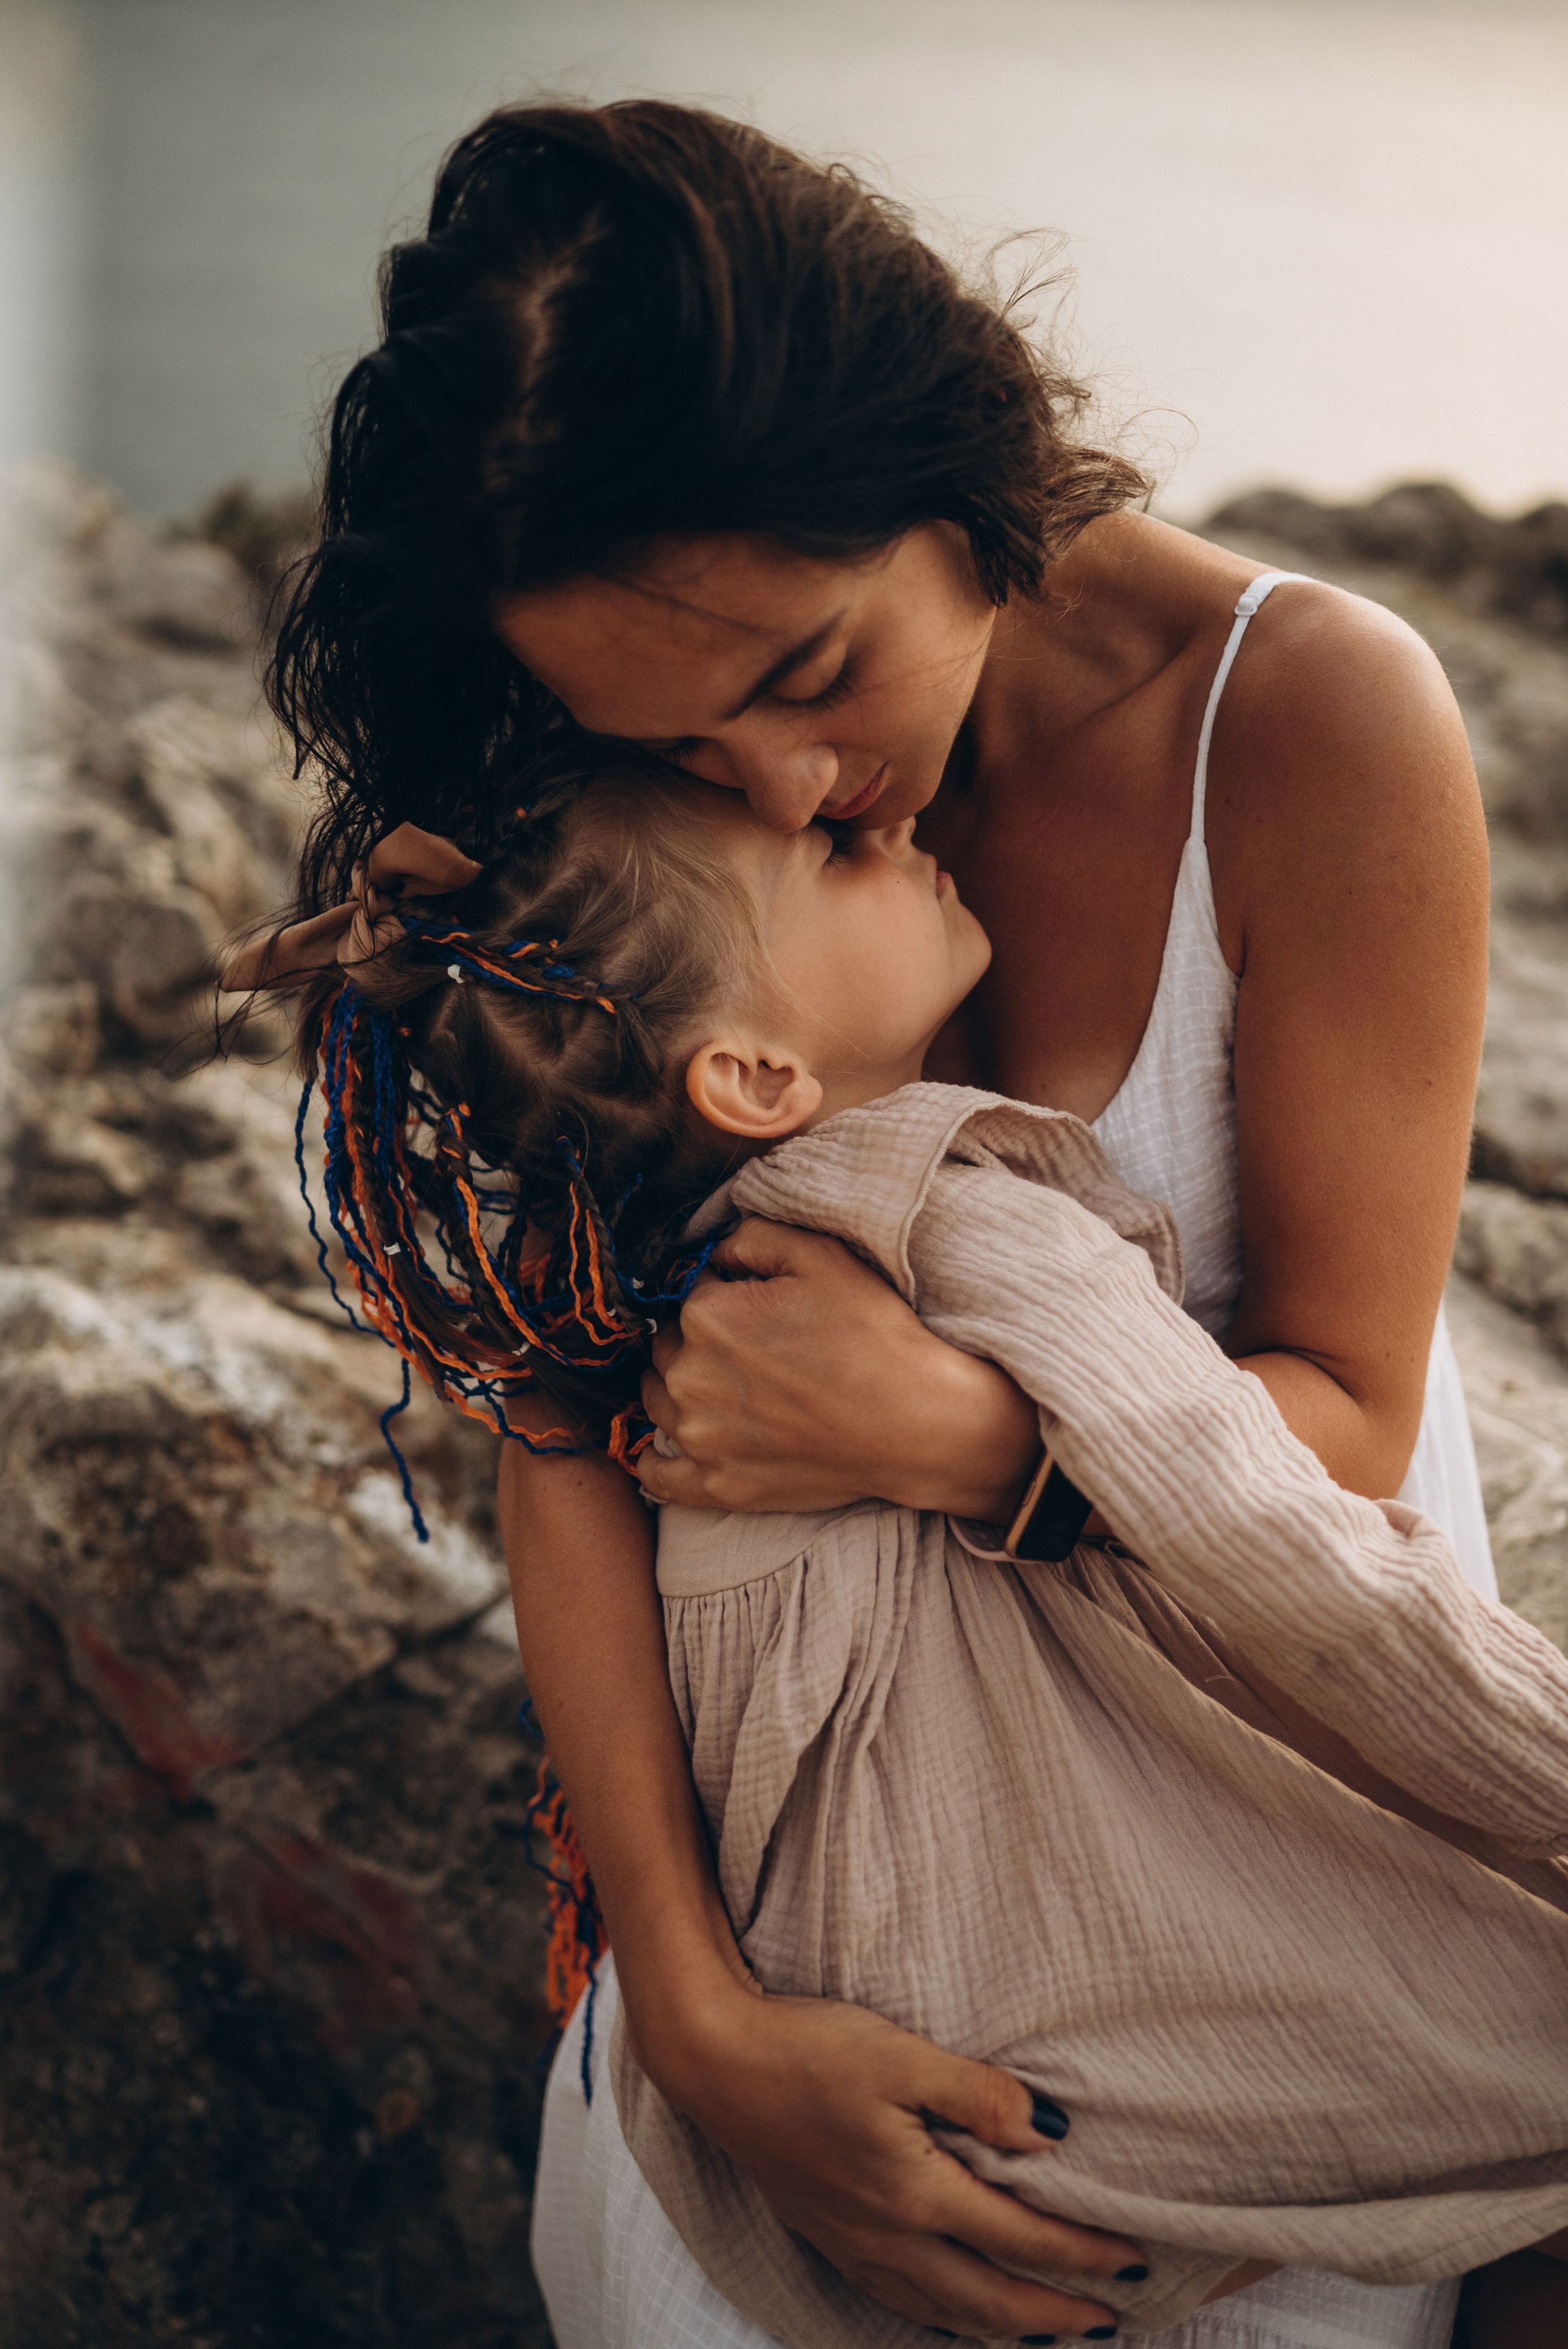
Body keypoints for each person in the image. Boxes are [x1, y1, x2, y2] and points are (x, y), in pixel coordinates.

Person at [265, 98, 1507, 2349]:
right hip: (778, 1896)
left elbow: (1354, 1413)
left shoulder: (1307, 727)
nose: (778, 791)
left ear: (952, 468)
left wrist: (962, 1433)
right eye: (678, 746)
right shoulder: (618, 809)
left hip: (1242, 1854)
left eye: (809, 676)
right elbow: (557, 1434)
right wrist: (711, 2024)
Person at [244, 764, 1568, 2347]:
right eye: (828, 850)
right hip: (1053, 2062)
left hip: (793, 2122)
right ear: (746, 1068)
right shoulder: (966, 1214)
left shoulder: (661, 1261)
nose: (888, 826)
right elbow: (1282, 1543)